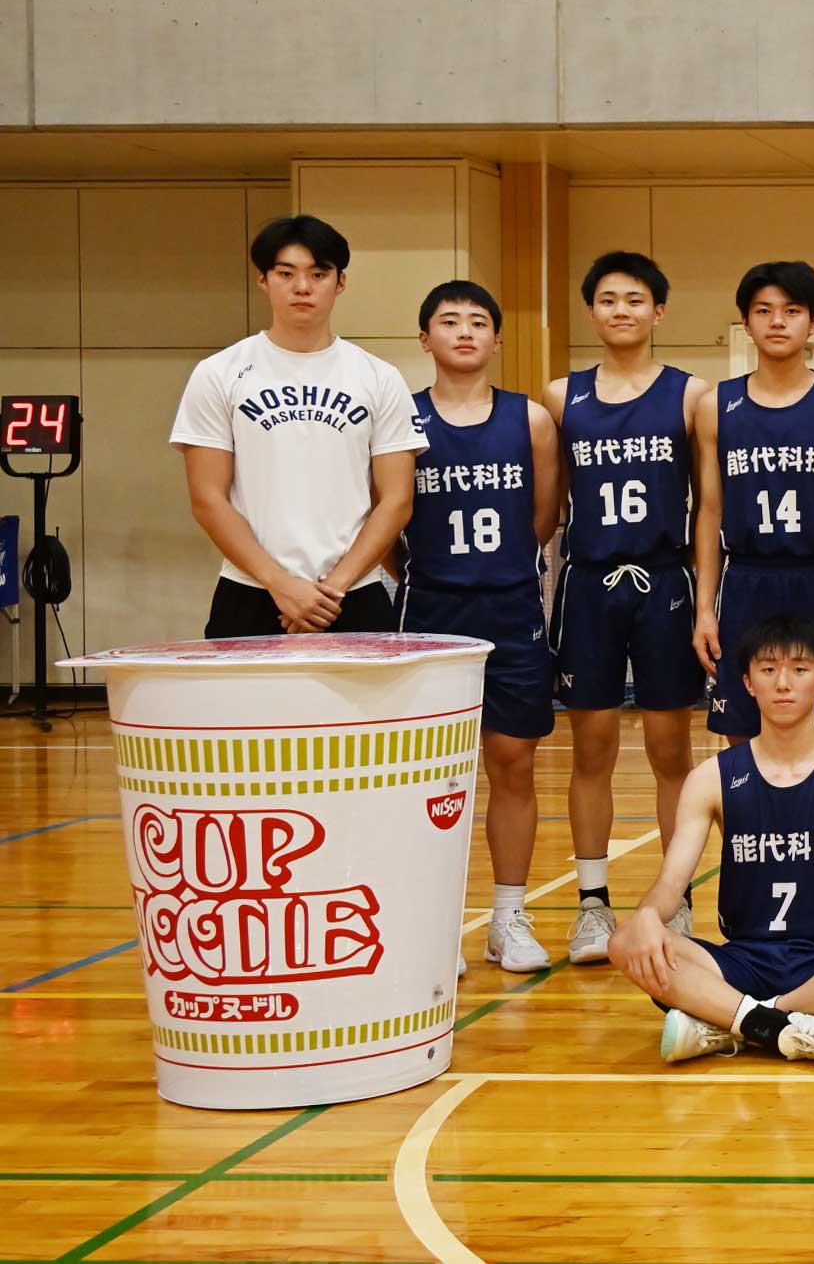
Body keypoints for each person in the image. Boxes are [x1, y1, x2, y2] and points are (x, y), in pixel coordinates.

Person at [611, 614, 814, 1068]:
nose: (783, 684)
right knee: (626, 941)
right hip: (743, 960)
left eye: (800, 669)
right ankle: (791, 1027)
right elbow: (670, 884)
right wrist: (646, 916)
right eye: (768, 669)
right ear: (748, 682)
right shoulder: (712, 778)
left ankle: (737, 1021)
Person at [547, 250, 709, 964]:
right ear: (591, 311)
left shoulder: (690, 395)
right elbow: (551, 503)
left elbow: (707, 502)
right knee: (591, 749)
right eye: (608, 299)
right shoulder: (562, 397)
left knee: (673, 751)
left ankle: (676, 903)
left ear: (658, 311)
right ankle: (592, 906)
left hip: (665, 581)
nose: (622, 310)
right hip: (590, 585)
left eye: (635, 299)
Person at [395, 281, 562, 973]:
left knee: (513, 763)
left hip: (511, 609)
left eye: (478, 322)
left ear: (497, 339)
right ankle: (432, 923)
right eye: (448, 320)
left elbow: (544, 517)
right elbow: (386, 518)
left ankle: (507, 918)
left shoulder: (531, 421)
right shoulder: (400, 418)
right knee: (431, 774)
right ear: (425, 338)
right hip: (430, 612)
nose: (464, 331)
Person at [173, 215, 424, 637]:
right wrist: (281, 584)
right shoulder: (219, 373)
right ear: (263, 280)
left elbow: (396, 499)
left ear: (340, 282)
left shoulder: (379, 377)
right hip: (250, 588)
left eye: (318, 274)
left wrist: (332, 589)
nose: (302, 287)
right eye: (286, 273)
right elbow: (207, 498)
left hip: (352, 590)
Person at [693, 261, 814, 741]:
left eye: (792, 311)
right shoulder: (716, 406)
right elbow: (709, 513)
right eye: (763, 310)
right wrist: (704, 608)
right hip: (746, 580)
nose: (777, 321)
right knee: (742, 732)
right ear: (745, 320)